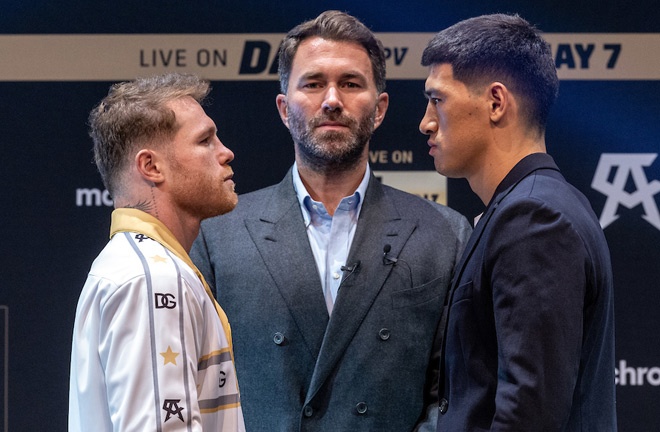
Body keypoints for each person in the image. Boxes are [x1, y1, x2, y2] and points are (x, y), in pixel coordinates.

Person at [190, 10, 471, 432]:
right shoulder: (217, 232)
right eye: (314, 83)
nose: (332, 100)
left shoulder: (446, 233)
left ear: (379, 109)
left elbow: (454, 394)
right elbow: (197, 389)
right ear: (285, 108)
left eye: (351, 83)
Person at [419, 14, 616, 430]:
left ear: (495, 102)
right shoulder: (534, 206)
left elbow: (529, 415)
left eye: (437, 99)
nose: (426, 122)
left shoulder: (533, 218)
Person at [68, 72, 246, 431]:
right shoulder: (154, 277)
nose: (226, 152)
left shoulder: (133, 265)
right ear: (151, 166)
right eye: (205, 140)